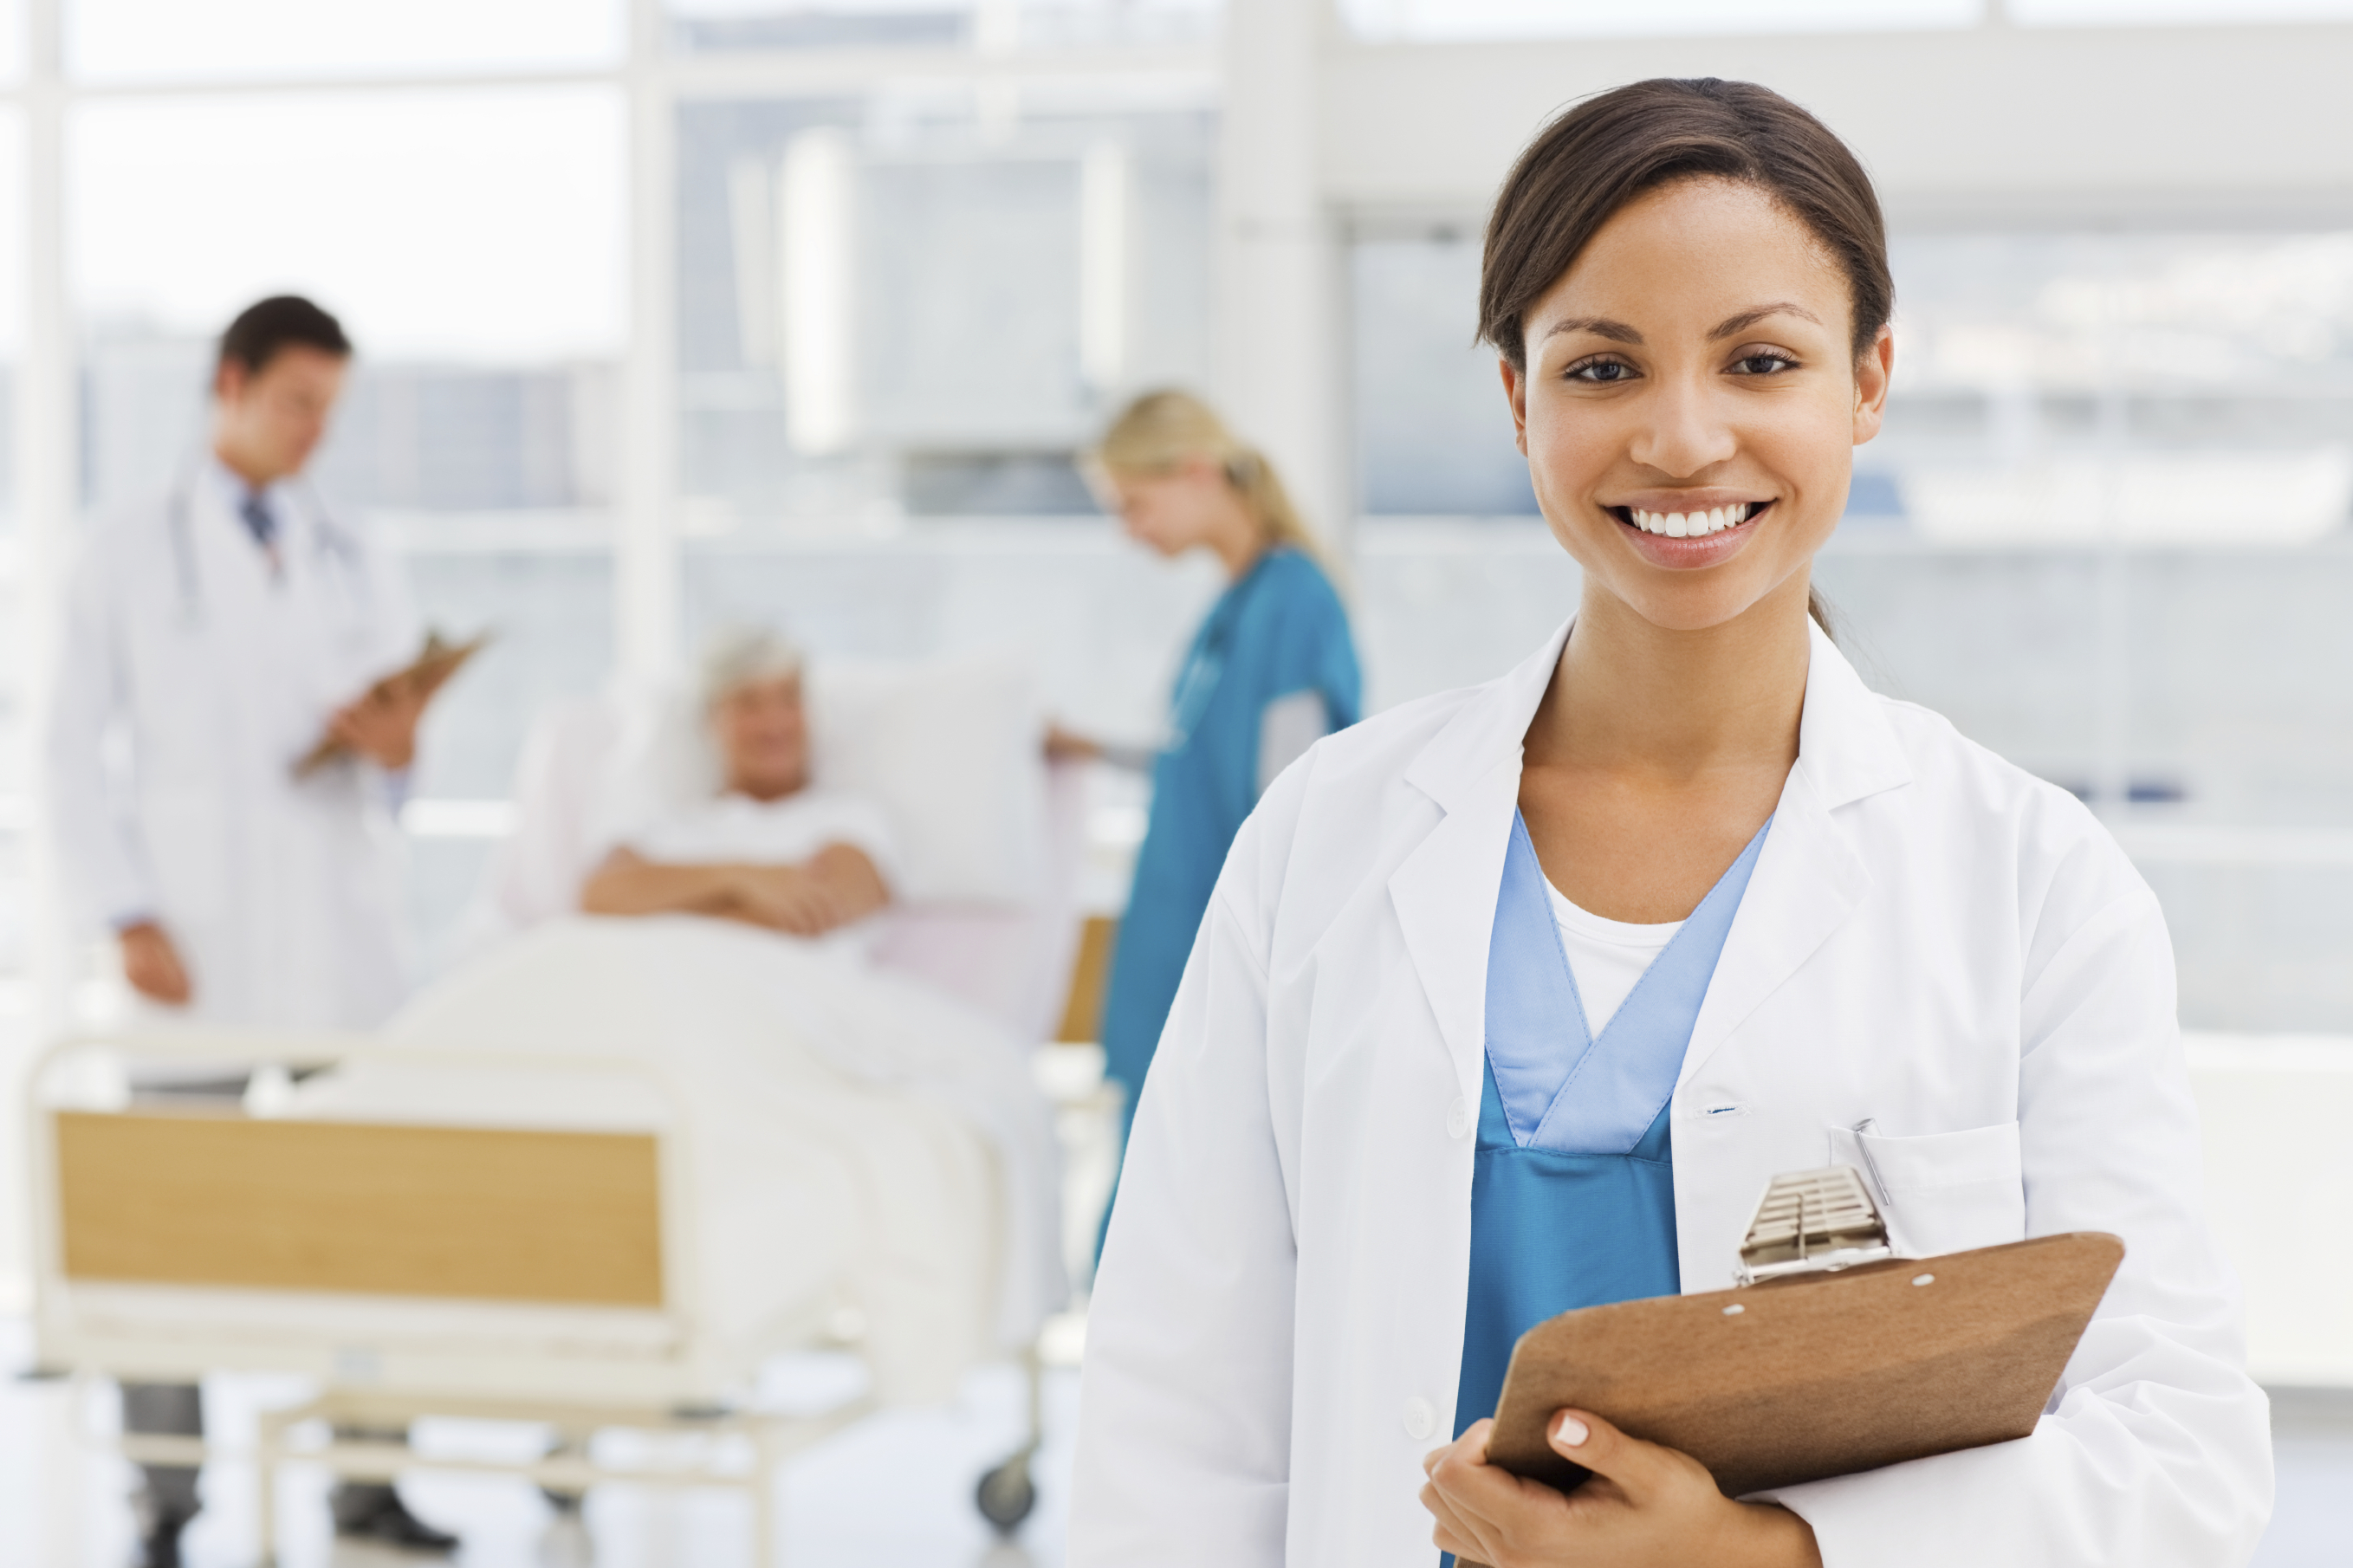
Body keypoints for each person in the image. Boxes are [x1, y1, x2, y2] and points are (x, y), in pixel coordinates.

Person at [1069, 80, 2271, 1568]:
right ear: (1518, 399)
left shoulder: (2029, 882)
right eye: (1602, 369)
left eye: (1760, 360)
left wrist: (1757, 1554)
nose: (1684, 438)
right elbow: (1173, 1432)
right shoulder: (1329, 838)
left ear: (1869, 383)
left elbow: (2181, 1461)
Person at [48, 295, 456, 1563]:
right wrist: (123, 910)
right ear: (229, 383)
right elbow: (66, 752)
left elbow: (395, 764)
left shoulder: (352, 549)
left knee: (374, 1212)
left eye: (331, 409)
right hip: (190, 940)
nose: (315, 433)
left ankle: (368, 1483)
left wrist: (395, 751)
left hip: (337, 938)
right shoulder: (124, 548)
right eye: (296, 403)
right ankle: (166, 1498)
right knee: (167, 1224)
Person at [1066, 390, 1361, 1158]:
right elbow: (1198, 754)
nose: (1131, 531)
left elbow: (1294, 795)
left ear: (1196, 472)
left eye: (1136, 504)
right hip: (1176, 943)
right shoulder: (1234, 608)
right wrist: (1091, 748)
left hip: (1231, 959)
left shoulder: (1291, 604)